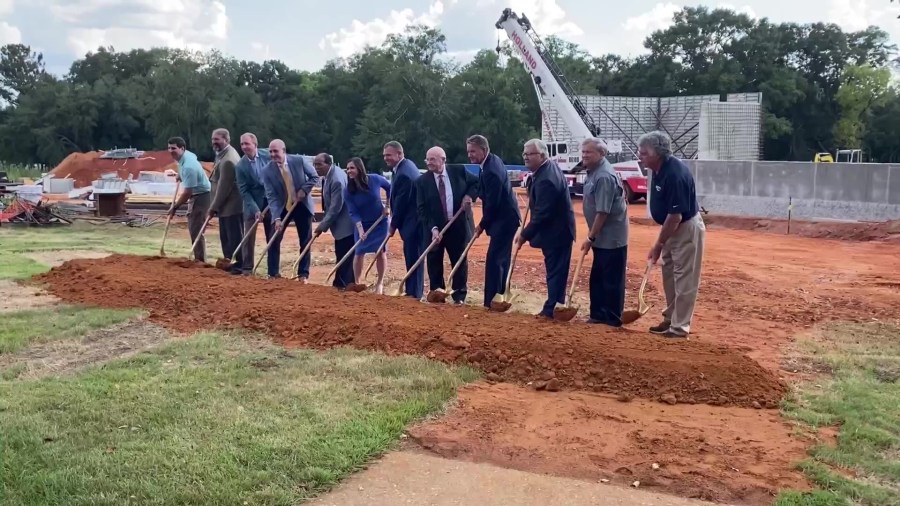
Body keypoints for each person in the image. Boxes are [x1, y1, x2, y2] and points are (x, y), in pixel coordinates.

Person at [640, 130, 706, 338]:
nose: (639, 155)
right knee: (669, 274)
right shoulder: (658, 169)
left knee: (685, 277)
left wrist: (658, 244)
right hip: (671, 228)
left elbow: (675, 216)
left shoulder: (675, 174)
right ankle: (671, 318)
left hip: (684, 228)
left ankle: (680, 327)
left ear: (657, 153)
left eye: (644, 153)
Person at [515, 138, 576, 319]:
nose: (525, 157)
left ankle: (552, 309)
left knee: (556, 272)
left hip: (557, 233)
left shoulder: (546, 179)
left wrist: (524, 235)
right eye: (524, 153)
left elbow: (543, 214)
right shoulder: (543, 171)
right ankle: (557, 306)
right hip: (556, 232)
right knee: (555, 271)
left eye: (530, 154)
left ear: (541, 155)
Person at [416, 146, 479, 304]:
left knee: (459, 261)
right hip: (435, 229)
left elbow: (477, 183)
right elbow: (422, 209)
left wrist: (469, 196)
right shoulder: (422, 181)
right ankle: (437, 293)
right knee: (434, 260)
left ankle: (459, 297)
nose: (429, 163)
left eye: (432, 159)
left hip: (458, 225)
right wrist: (434, 229)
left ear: (443, 160)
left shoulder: (459, 171)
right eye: (427, 159)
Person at [579, 137, 629, 327]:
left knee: (611, 279)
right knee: (598, 277)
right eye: (583, 152)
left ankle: (612, 318)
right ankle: (598, 314)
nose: (584, 155)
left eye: (588, 152)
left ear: (601, 154)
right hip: (601, 238)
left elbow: (603, 212)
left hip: (611, 238)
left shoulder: (604, 176)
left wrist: (590, 237)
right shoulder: (593, 172)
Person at [466, 134, 521, 309]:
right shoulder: (490, 161)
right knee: (501, 258)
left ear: (483, 149)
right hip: (504, 218)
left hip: (504, 219)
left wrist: (482, 225)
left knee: (495, 259)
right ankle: (500, 296)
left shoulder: (491, 171)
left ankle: (492, 301)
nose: (470, 155)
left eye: (473, 151)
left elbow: (493, 204)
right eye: (468, 152)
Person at [259, 139, 320, 281]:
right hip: (283, 207)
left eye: (276, 151)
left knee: (305, 241)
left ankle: (303, 274)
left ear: (283, 151)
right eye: (270, 151)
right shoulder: (267, 171)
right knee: (274, 238)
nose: (273, 154)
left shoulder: (298, 161)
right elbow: (272, 196)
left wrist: (304, 190)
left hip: (302, 205)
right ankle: (273, 274)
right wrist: (277, 218)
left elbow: (314, 177)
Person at [343, 157, 392, 293]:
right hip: (362, 224)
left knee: (380, 252)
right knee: (359, 253)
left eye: (352, 168)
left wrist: (387, 206)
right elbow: (353, 211)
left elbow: (390, 188)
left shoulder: (375, 179)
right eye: (347, 169)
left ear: (359, 168)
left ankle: (380, 284)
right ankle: (357, 283)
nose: (349, 171)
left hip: (380, 222)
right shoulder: (348, 190)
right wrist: (360, 230)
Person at [384, 141, 424, 300]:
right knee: (413, 256)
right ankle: (412, 290)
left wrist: (393, 225)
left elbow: (401, 203)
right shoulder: (406, 166)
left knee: (414, 257)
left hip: (412, 223)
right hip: (411, 222)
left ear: (399, 154)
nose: (385, 158)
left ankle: (414, 293)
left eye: (389, 155)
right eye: (384, 155)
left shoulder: (404, 174)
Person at [313, 153, 355, 290]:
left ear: (328, 164)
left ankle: (342, 284)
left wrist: (322, 225)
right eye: (315, 164)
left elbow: (336, 207)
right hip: (340, 225)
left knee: (345, 255)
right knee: (343, 254)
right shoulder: (330, 175)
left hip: (346, 224)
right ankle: (344, 283)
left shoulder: (336, 179)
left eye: (319, 164)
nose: (316, 167)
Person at [166, 136, 211, 262]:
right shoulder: (187, 156)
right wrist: (180, 175)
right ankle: (199, 258)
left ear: (182, 148)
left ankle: (200, 261)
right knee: (194, 227)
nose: (170, 151)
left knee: (196, 228)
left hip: (201, 196)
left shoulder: (189, 167)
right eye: (169, 148)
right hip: (197, 194)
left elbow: (187, 193)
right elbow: (185, 164)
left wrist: (175, 206)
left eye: (173, 148)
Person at [235, 132, 273, 275]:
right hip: (252, 203)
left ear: (255, 144)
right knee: (248, 237)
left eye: (247, 143)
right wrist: (256, 210)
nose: (244, 147)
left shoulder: (268, 156)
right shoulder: (240, 166)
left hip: (270, 202)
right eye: (242, 144)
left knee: (272, 236)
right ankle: (247, 268)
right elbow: (244, 191)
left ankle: (273, 270)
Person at [208, 128, 243, 274]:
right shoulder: (222, 155)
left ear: (226, 140)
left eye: (217, 139)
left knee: (233, 238)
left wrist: (213, 207)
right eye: (213, 139)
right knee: (226, 238)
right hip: (226, 206)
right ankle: (229, 263)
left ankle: (238, 266)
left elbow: (224, 188)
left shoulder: (228, 159)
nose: (214, 142)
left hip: (231, 206)